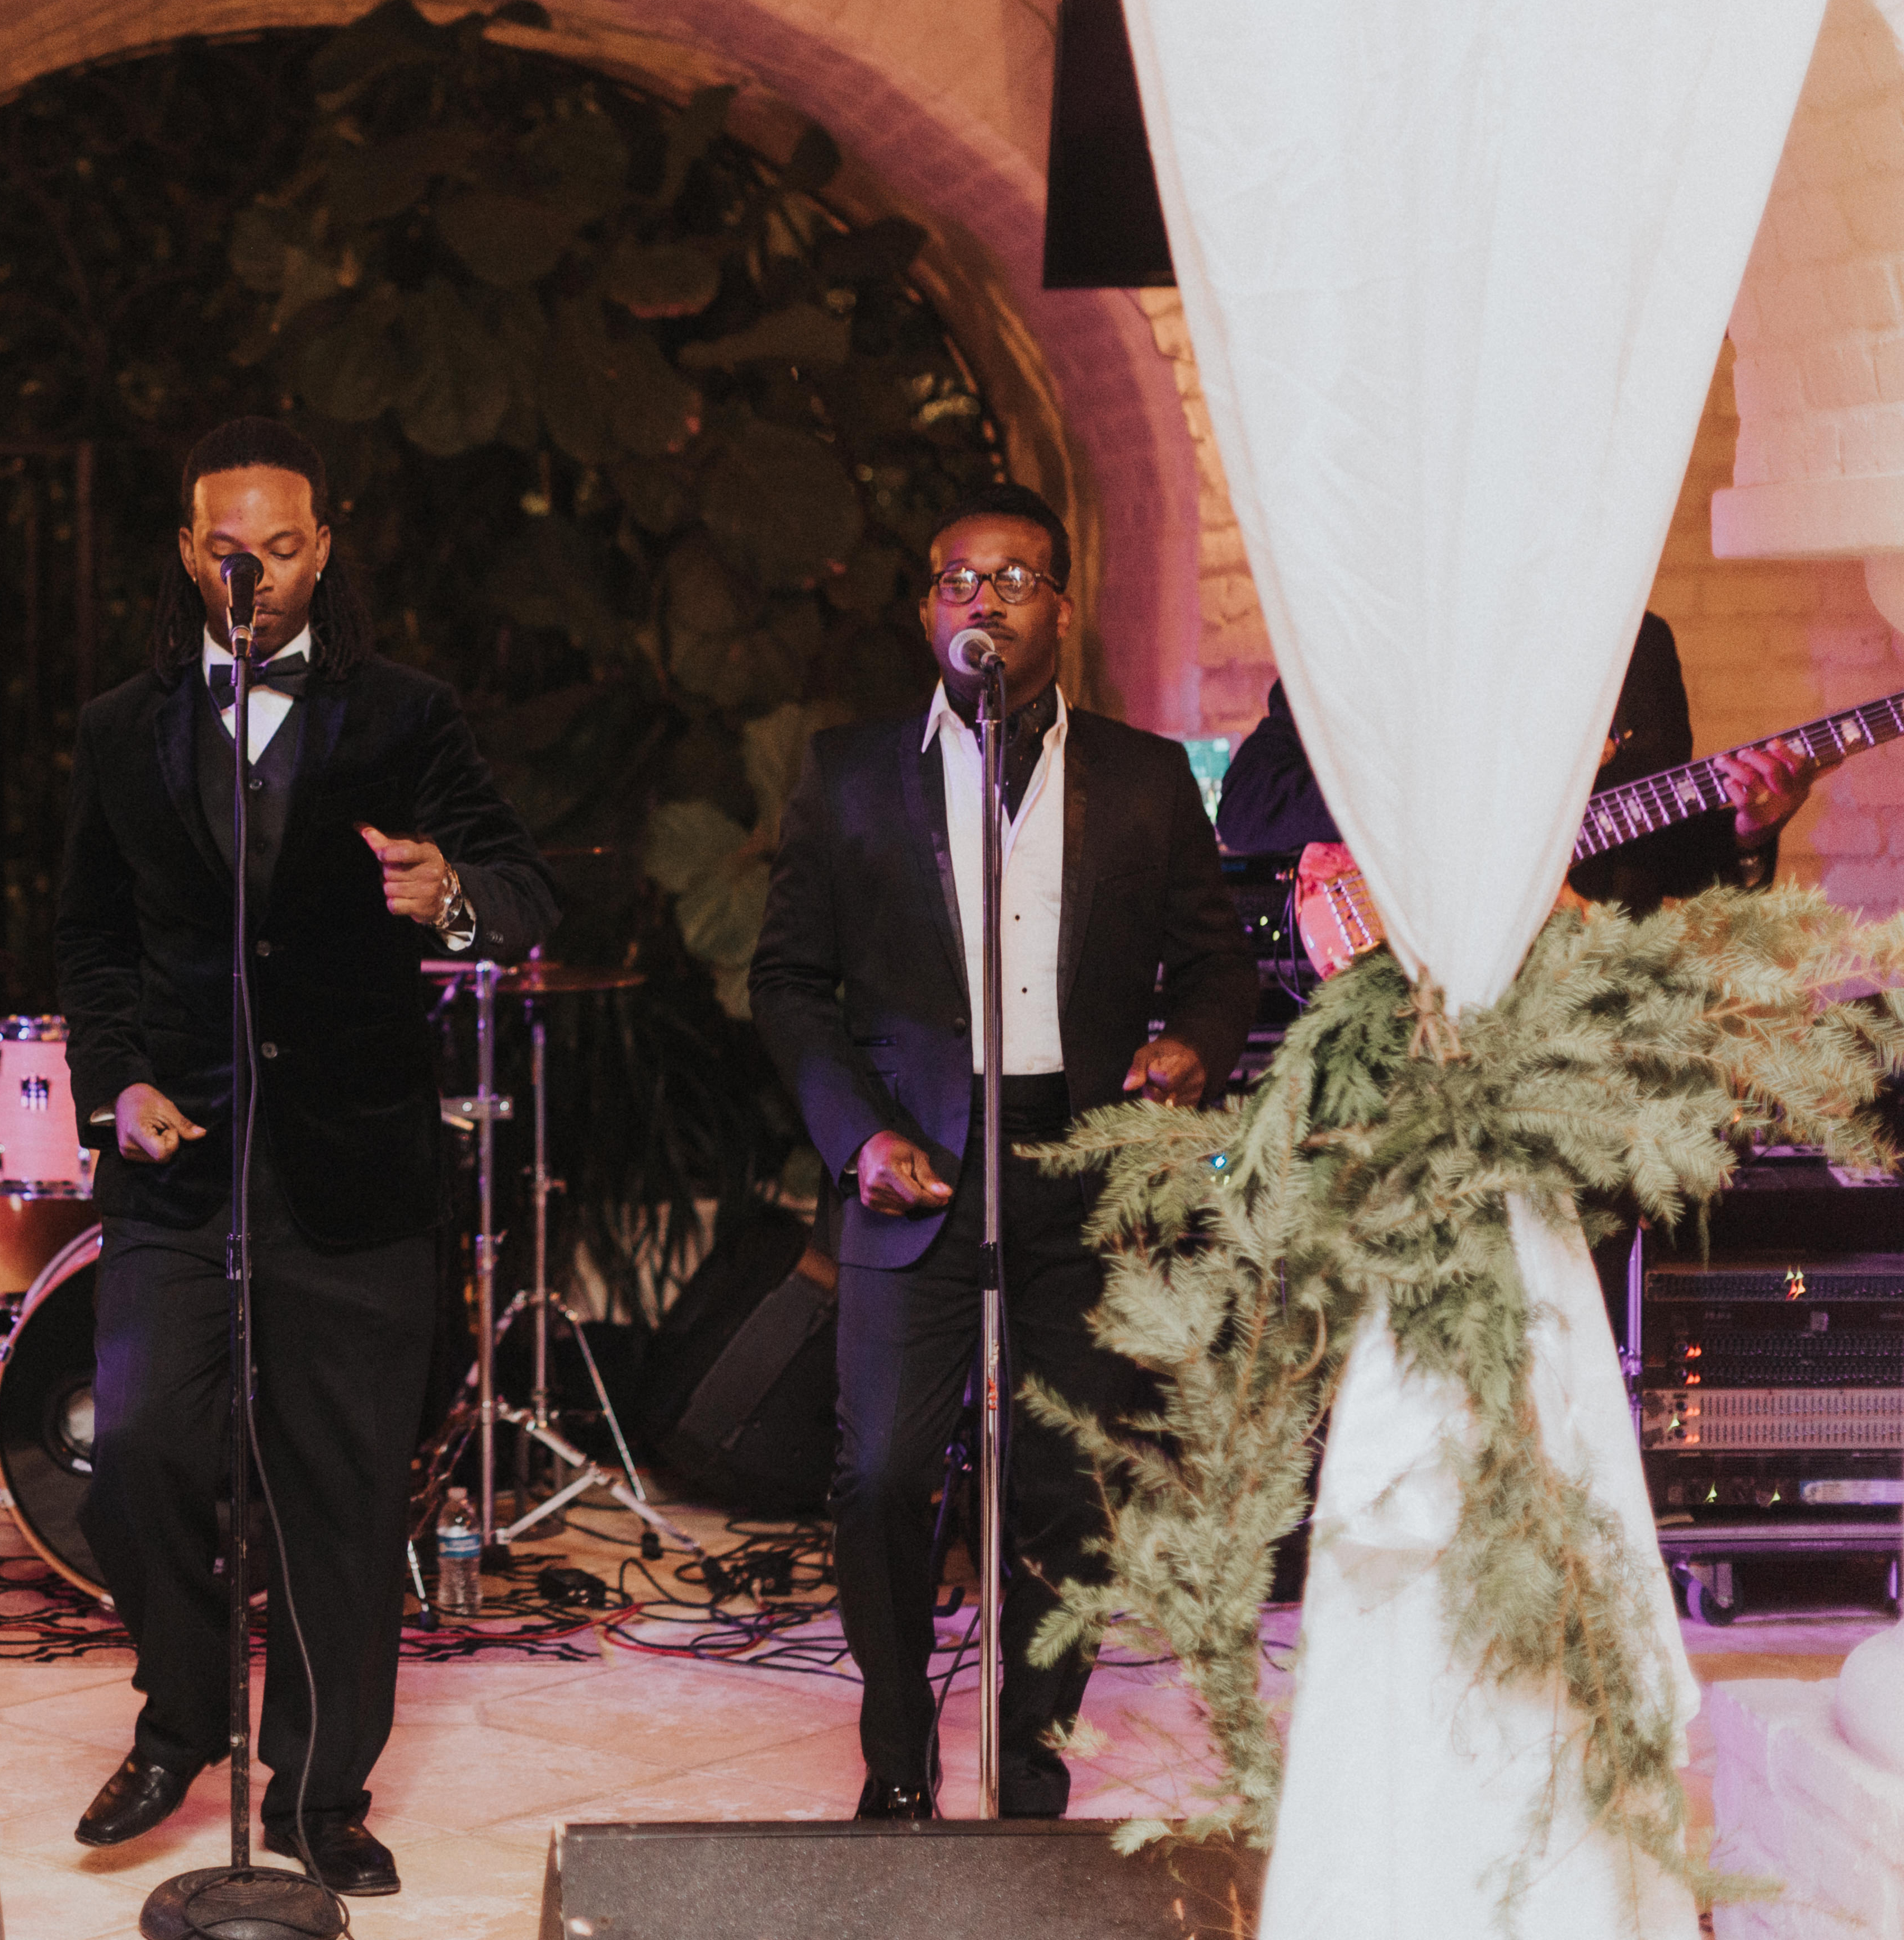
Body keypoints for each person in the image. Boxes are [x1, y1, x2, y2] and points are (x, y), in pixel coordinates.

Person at [55, 417, 556, 1896]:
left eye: (281, 549)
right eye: (229, 550)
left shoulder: (405, 716)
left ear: (322, 550)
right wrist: (116, 1077)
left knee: (339, 1492)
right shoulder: (121, 728)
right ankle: (182, 1715)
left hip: (354, 1167)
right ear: (186, 554)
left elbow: (524, 891)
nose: (254, 574)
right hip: (181, 1164)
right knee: (135, 1455)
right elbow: (89, 939)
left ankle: (321, 1789)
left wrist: (451, 893)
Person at [748, 481, 1254, 1821]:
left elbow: (1219, 966)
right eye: (956, 580)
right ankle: (895, 1743)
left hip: (1078, 1159)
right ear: (928, 609)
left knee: (1065, 1477)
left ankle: (1030, 1748)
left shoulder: (1142, 777)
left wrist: (1190, 1046)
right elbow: (786, 981)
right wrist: (857, 1133)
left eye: (1012, 579)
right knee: (878, 1470)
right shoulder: (849, 771)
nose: (982, 600)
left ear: (1061, 611)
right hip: (908, 1157)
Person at [1217, 610, 1827, 904]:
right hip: (1416, 1006)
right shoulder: (1378, 644)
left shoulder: (1638, 643)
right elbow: (1248, 807)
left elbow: (1653, 853)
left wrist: (1749, 831)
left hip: (1590, 1014)